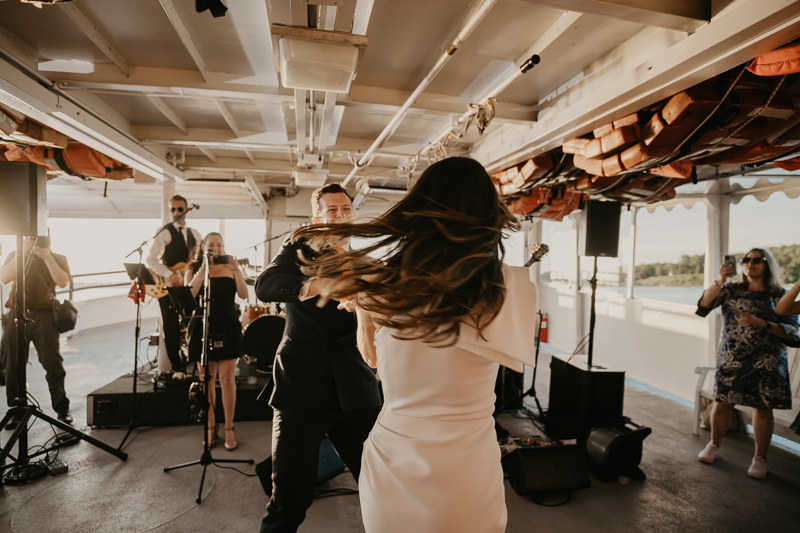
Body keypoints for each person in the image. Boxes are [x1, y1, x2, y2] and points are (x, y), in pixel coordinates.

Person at [293, 157, 537, 533]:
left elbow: (372, 357)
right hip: (470, 464)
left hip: (398, 458)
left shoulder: (384, 282)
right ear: (486, 211)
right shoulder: (513, 287)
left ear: (422, 206)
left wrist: (363, 307)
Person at [255, 183, 382, 533]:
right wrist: (320, 285)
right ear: (318, 218)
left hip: (356, 387)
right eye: (332, 210)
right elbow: (265, 285)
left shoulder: (365, 260)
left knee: (381, 482)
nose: (340, 215)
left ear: (353, 214)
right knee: (290, 501)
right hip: (302, 386)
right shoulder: (299, 248)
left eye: (345, 209)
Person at [696, 248, 800, 479]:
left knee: (762, 409)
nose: (750, 264)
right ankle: (714, 446)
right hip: (732, 357)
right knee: (722, 403)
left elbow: (794, 333)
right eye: (746, 260)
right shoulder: (731, 290)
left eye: (757, 260)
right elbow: (703, 306)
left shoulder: (779, 295)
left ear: (768, 264)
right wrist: (721, 279)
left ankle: (760, 458)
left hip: (767, 362)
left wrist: (762, 323)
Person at [0, 235, 72, 430]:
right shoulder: (16, 254)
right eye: (27, 236)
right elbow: (4, 277)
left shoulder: (58, 257)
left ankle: (62, 409)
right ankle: (16, 410)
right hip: (15, 314)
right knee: (13, 365)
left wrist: (46, 256)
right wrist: (22, 253)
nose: (31, 239)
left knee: (52, 363)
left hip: (45, 317)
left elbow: (63, 281)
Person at [185, 233, 248, 450]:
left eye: (219, 245)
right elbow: (189, 296)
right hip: (203, 326)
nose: (216, 249)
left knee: (228, 378)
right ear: (203, 246)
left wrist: (237, 269)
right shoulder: (193, 268)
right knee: (207, 380)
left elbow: (243, 293)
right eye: (211, 245)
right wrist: (204, 269)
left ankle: (230, 426)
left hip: (227, 325)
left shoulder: (230, 267)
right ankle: (211, 426)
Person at [146, 195, 201, 376]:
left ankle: (192, 361)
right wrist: (169, 274)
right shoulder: (163, 232)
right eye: (173, 209)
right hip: (168, 286)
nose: (176, 213)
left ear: (187, 210)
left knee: (193, 322)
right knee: (170, 327)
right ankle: (176, 367)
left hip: (188, 286)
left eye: (179, 209)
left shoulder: (195, 234)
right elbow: (151, 260)